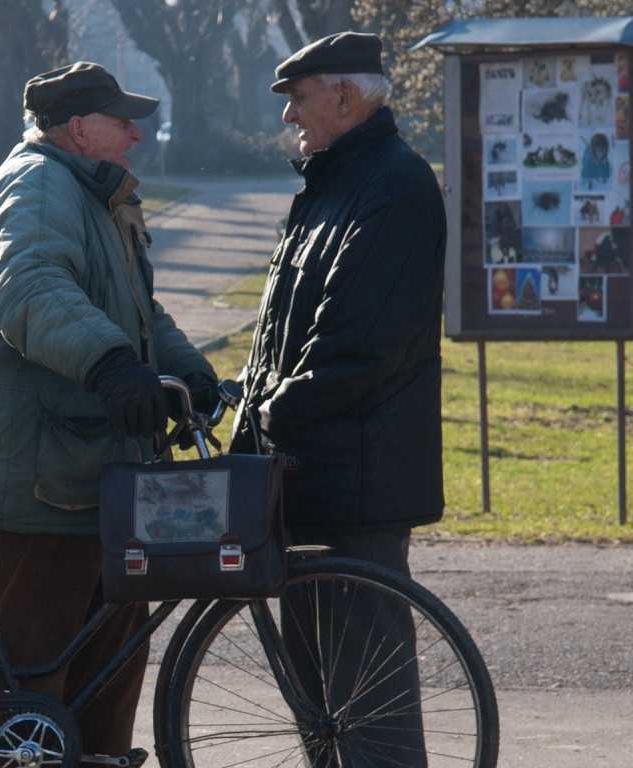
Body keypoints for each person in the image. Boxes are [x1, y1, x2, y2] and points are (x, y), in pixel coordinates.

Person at [0, 61, 217, 762]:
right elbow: (28, 291)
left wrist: (189, 373)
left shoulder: (94, 193)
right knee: (29, 694)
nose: (136, 133)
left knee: (108, 680)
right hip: (38, 485)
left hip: (96, 477)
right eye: (122, 120)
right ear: (77, 128)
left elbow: (138, 310)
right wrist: (111, 365)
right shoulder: (35, 188)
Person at [230, 32, 446, 767]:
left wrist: (269, 413)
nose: (291, 115)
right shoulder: (333, 185)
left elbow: (360, 345)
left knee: (367, 715)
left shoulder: (393, 185)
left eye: (300, 96)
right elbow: (284, 333)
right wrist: (250, 403)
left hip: (357, 482)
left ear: (346, 98)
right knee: (323, 711)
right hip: (314, 478)